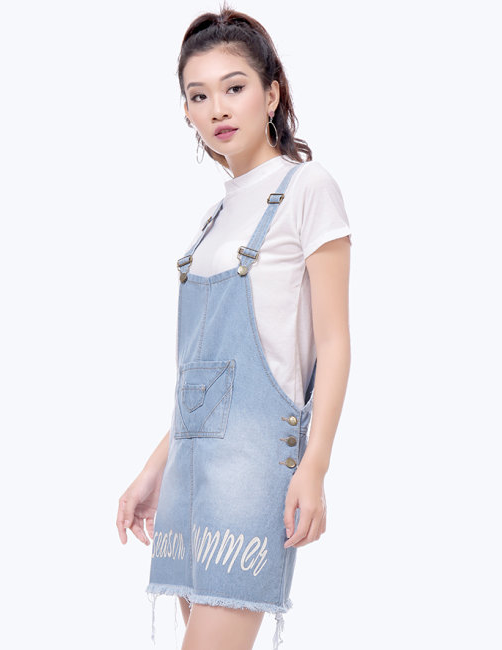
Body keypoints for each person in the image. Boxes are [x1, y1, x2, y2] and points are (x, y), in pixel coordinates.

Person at [116, 4, 352, 650]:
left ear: (271, 94)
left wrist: (315, 466)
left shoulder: (308, 188)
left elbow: (333, 344)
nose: (217, 108)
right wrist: (154, 469)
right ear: (187, 112)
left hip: (253, 472)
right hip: (191, 473)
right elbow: (206, 379)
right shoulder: (215, 218)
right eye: (199, 95)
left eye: (234, 87)